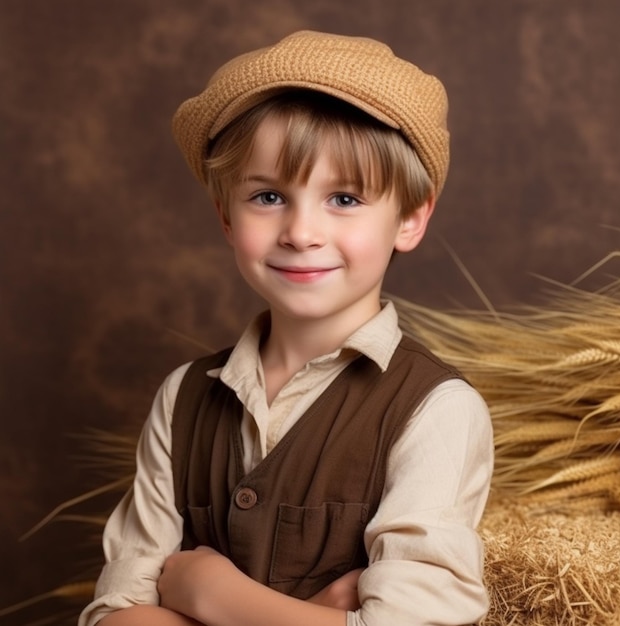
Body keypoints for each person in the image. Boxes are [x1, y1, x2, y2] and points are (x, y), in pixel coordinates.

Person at [79, 30, 494, 626]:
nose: (301, 232)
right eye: (269, 196)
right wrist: (309, 616)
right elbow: (117, 614)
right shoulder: (182, 399)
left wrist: (211, 595)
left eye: (345, 199)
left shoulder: (436, 411)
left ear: (408, 218)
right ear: (226, 218)